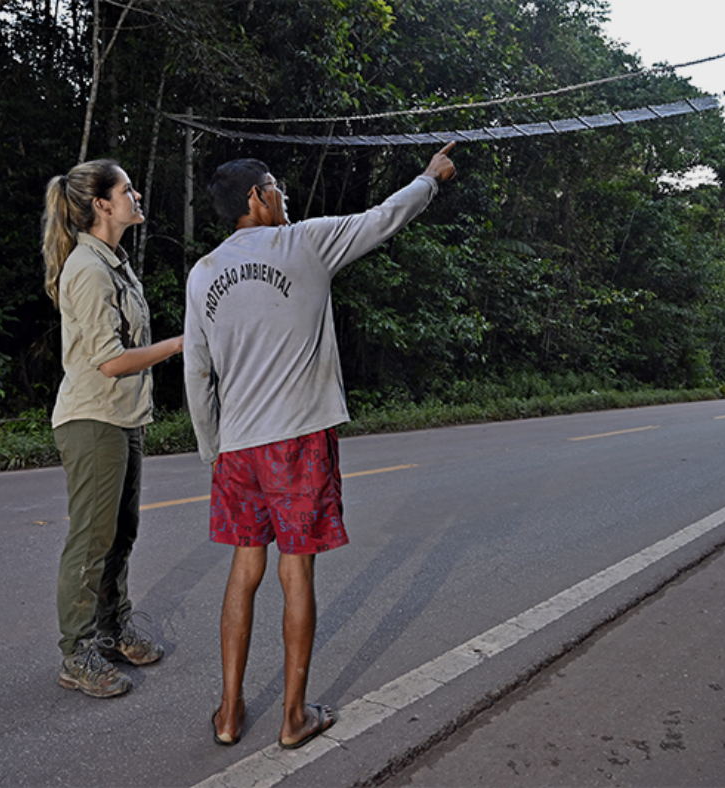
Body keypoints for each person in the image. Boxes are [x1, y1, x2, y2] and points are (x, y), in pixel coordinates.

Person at [184, 142, 456, 748]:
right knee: (295, 572)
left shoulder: (202, 274)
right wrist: (431, 178)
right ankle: (292, 718)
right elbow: (383, 217)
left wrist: (214, 450)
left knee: (244, 570)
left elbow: (197, 372)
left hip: (239, 446)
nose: (285, 197)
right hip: (297, 440)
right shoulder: (304, 242)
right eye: (276, 187)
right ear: (257, 197)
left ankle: (228, 714)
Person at [42, 159, 184, 698]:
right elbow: (110, 361)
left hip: (122, 416)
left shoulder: (116, 264)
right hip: (93, 419)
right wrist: (179, 343)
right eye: (127, 189)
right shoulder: (88, 268)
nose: (136, 194)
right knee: (91, 538)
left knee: (121, 533)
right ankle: (75, 654)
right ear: (102, 204)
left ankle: (110, 631)